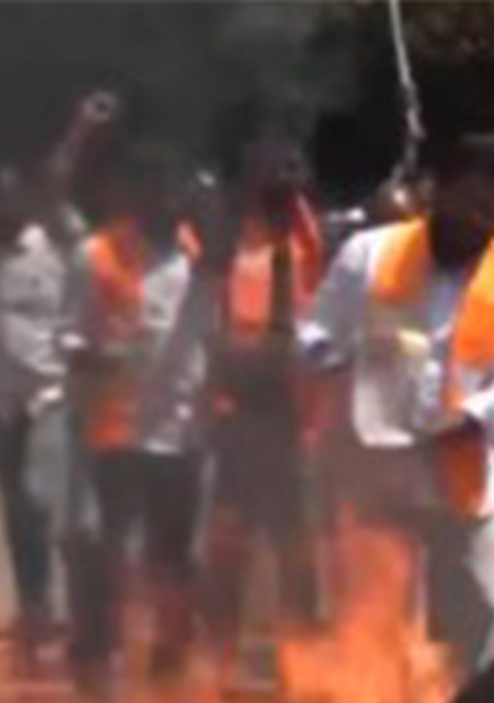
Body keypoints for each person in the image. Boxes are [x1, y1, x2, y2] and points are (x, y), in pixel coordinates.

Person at [304, 132, 494, 675]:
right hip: (375, 467)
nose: (476, 219)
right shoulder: (369, 255)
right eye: (468, 201)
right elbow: (313, 335)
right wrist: (340, 361)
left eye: (491, 209)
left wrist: (473, 415)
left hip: (460, 473)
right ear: (437, 191)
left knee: (477, 612)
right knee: (372, 615)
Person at [0, 95, 111, 675]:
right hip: (1, 407)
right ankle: (35, 614)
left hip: (52, 400)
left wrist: (79, 129)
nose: (0, 205)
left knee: (50, 506)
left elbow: (58, 182)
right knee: (17, 515)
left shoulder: (61, 247)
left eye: (8, 195)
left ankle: (88, 622)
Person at [63, 141, 227, 695]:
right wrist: (108, 356)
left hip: (182, 433)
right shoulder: (95, 255)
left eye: (172, 191)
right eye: (151, 190)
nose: (164, 201)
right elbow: (68, 343)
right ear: (133, 196)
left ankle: (169, 660)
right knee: (118, 550)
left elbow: (214, 337)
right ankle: (98, 657)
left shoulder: (196, 258)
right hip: (118, 431)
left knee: (176, 554)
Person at [204, 93, 326, 662]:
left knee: (294, 535)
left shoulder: (307, 239)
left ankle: (302, 647)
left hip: (290, 408)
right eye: (270, 170)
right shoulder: (224, 240)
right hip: (236, 404)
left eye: (291, 170)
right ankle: (220, 645)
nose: (284, 181)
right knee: (232, 532)